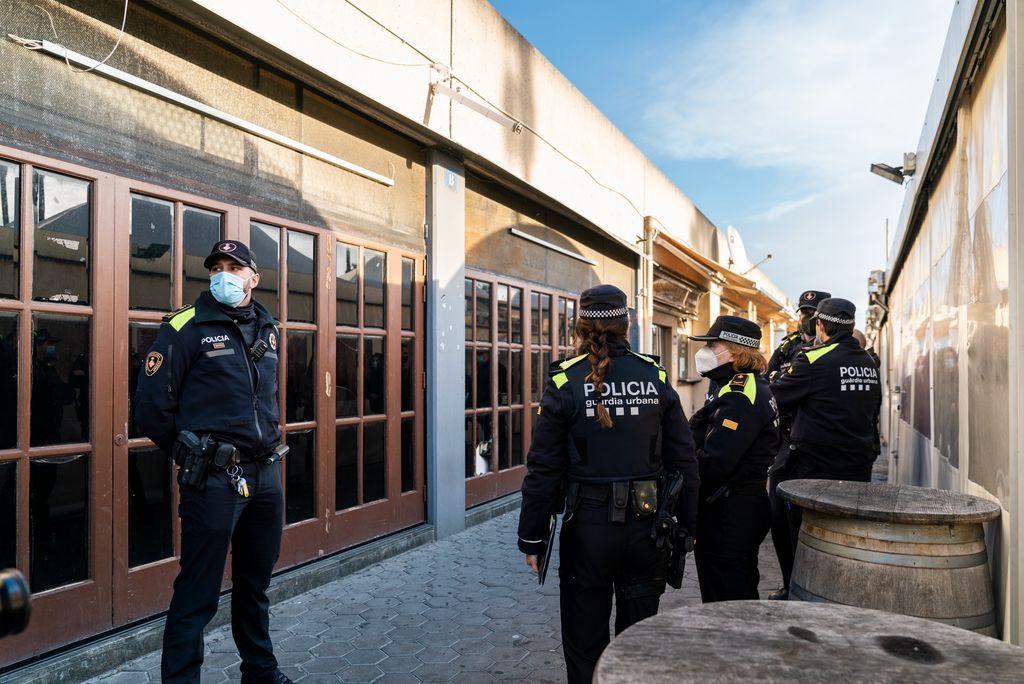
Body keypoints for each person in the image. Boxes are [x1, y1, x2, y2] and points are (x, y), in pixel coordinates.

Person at [517, 284, 699, 684]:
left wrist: (532, 538)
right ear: (627, 325)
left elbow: (543, 469)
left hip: (588, 532)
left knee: (585, 639)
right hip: (647, 531)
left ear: (579, 327)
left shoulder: (564, 382)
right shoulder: (654, 375)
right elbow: (684, 461)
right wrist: (687, 528)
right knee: (637, 640)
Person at [134, 240, 291, 684]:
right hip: (215, 480)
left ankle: (260, 670)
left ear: (253, 278)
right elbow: (149, 407)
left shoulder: (267, 327)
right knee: (198, 593)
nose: (224, 274)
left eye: (235, 267)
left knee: (254, 586)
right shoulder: (185, 325)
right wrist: (191, 454)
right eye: (217, 267)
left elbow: (269, 398)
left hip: (265, 474)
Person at [770, 298, 882, 568]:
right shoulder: (869, 362)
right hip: (857, 465)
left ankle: (801, 592)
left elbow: (775, 398)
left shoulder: (812, 360)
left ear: (820, 326)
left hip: (816, 467)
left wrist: (775, 379)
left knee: (807, 537)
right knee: (845, 535)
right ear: (851, 325)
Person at [688, 315, 779, 602]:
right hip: (734, 507)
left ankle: (735, 648)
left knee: (728, 600)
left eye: (712, 345)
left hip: (731, 512)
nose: (705, 352)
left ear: (734, 350)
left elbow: (716, 463)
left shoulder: (741, 394)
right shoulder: (733, 386)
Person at [765, 289, 829, 601]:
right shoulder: (789, 345)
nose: (806, 318)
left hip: (817, 444)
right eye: (803, 311)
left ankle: (817, 587)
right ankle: (790, 581)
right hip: (786, 441)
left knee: (815, 520)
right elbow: (769, 379)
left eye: (812, 313)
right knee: (779, 514)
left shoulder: (834, 348)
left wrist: (788, 378)